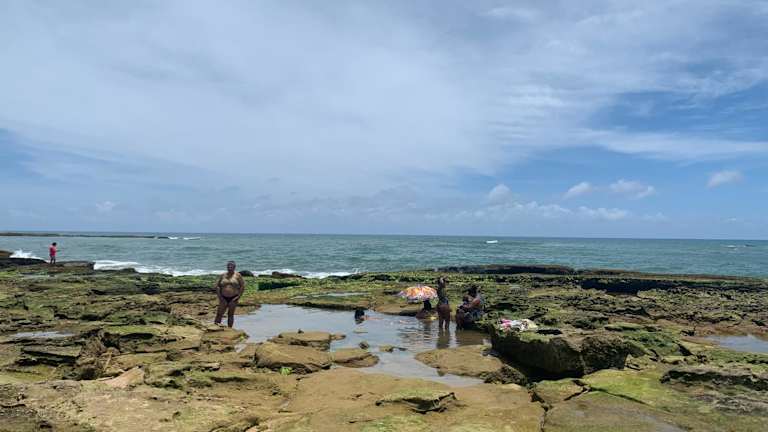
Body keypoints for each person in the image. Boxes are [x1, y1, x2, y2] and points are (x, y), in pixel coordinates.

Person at [214, 261, 245, 328]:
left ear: (234, 267)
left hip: (233, 298)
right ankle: (215, 328)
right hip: (223, 298)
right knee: (219, 314)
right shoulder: (223, 275)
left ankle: (230, 329)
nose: (230, 267)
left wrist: (238, 297)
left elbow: (242, 286)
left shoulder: (238, 275)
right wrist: (220, 297)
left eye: (231, 266)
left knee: (230, 314)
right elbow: (217, 286)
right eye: (228, 266)